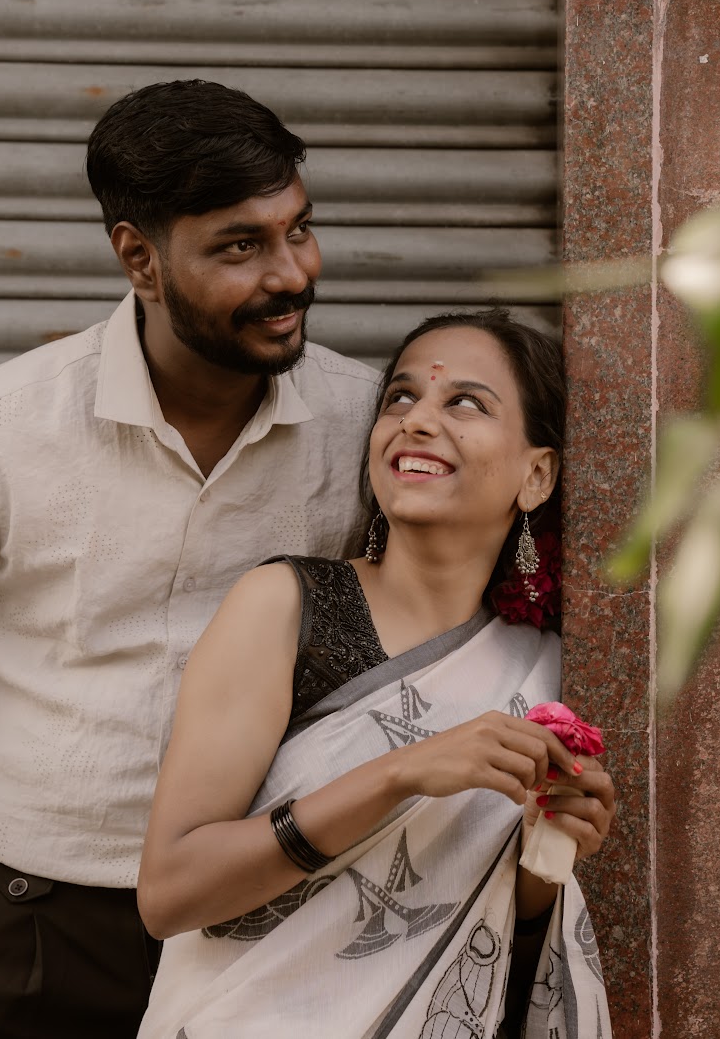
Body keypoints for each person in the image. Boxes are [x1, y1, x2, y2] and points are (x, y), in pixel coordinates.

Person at [0, 80, 381, 1038]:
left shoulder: (366, 423)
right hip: (31, 922)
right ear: (139, 258)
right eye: (240, 245)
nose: (292, 273)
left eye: (298, 229)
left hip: (269, 916)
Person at [135, 309, 615, 1039]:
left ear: (536, 474)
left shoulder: (542, 668)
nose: (416, 419)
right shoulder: (286, 608)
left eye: (464, 402)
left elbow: (485, 926)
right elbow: (169, 893)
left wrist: (549, 855)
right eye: (400, 397)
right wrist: (401, 772)